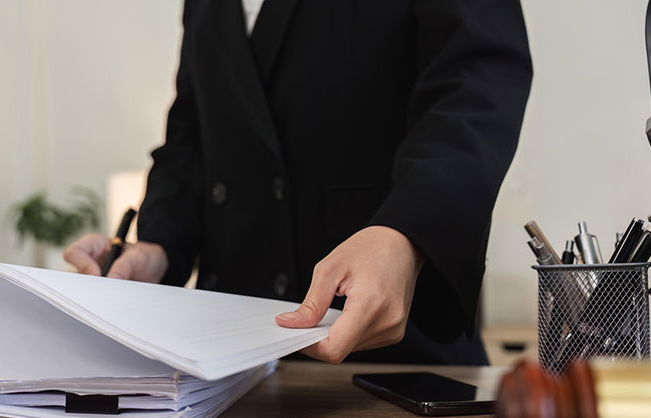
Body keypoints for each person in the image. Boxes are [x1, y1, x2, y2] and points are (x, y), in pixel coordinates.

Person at [64, 0, 532, 365]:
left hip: (396, 362)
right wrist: (160, 247)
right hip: (231, 376)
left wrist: (406, 230)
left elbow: (476, 82)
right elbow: (193, 132)